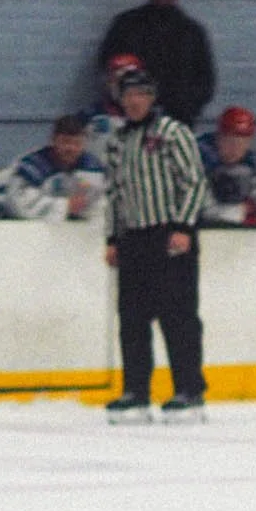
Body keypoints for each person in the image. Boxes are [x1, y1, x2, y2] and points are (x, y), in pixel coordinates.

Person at [100, 63, 208, 421]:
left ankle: (189, 390)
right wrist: (113, 237)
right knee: (131, 318)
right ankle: (136, 392)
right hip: (134, 239)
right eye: (128, 95)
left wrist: (183, 227)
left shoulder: (172, 132)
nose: (134, 102)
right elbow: (115, 193)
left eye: (141, 95)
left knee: (177, 317)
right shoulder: (117, 141)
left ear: (152, 98)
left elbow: (193, 181)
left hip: (168, 236)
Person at [94, 0, 215, 126]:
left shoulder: (192, 32)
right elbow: (106, 66)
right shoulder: (125, 25)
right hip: (130, 122)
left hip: (176, 121)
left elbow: (206, 81)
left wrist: (185, 109)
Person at [0, 113, 107, 221]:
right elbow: (18, 204)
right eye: (65, 142)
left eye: (76, 143)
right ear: (53, 141)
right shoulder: (33, 166)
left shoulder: (93, 168)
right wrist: (65, 207)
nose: (70, 148)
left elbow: (98, 204)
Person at [200, 106, 256, 224]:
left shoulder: (253, 166)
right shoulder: (199, 162)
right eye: (230, 140)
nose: (235, 148)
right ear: (218, 138)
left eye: (242, 141)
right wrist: (240, 211)